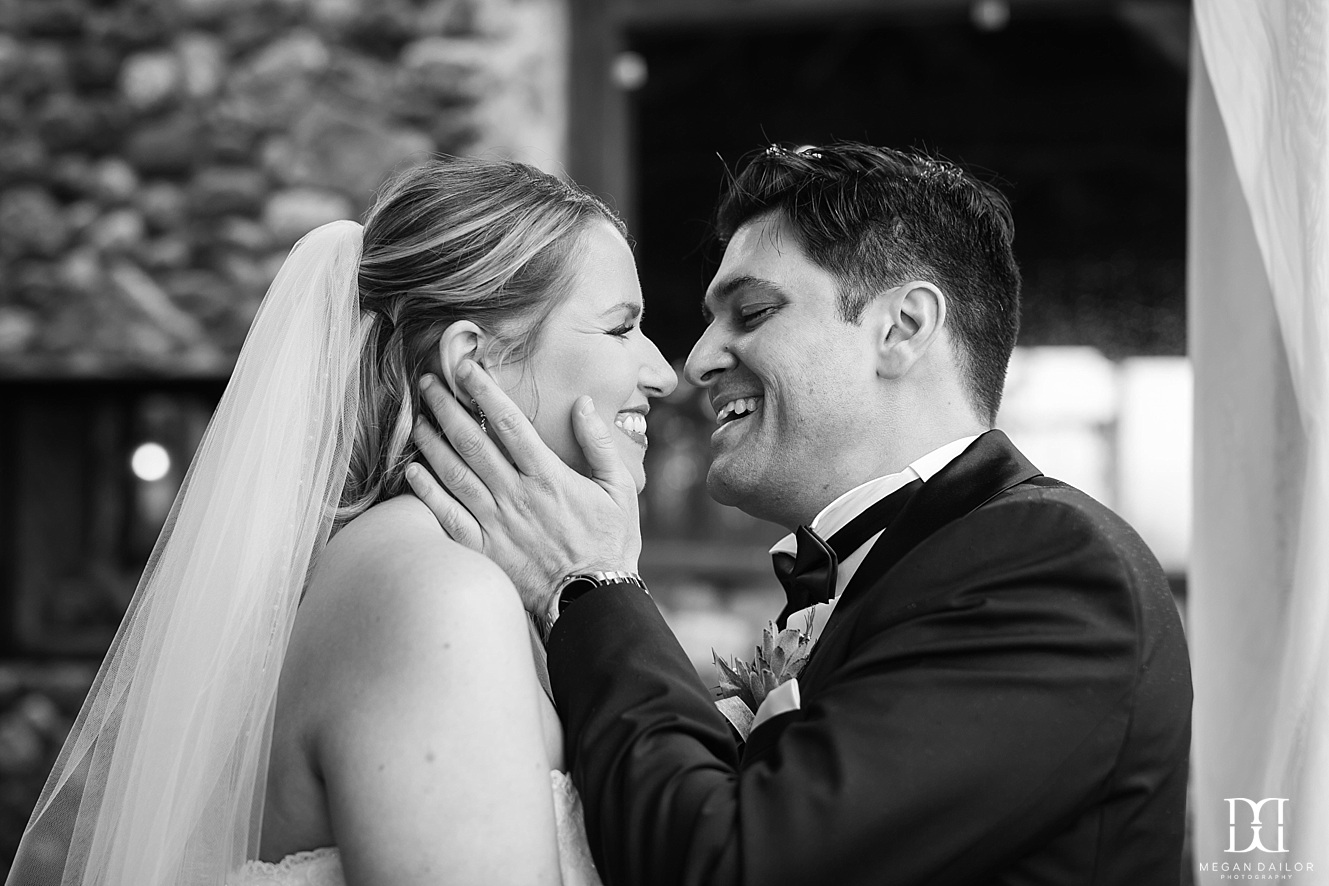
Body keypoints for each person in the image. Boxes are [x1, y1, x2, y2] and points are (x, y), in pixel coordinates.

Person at [407, 142, 1194, 885]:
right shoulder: (897, 566)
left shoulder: (1052, 566)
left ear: (902, 328)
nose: (695, 361)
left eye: (750, 312)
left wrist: (590, 584)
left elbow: (730, 863)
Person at [7, 156, 675, 886]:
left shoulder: (443, 578)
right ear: (472, 361)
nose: (663, 372)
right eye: (622, 329)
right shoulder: (436, 597)